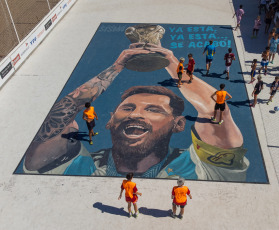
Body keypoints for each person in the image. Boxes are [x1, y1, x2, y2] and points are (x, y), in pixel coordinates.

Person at [22, 24, 249, 182]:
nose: (135, 115)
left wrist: (169, 61)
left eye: (154, 109)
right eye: (128, 108)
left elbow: (214, 110)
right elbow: (55, 119)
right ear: (111, 120)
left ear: (178, 124)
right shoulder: (77, 165)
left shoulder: (203, 167)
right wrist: (116, 67)